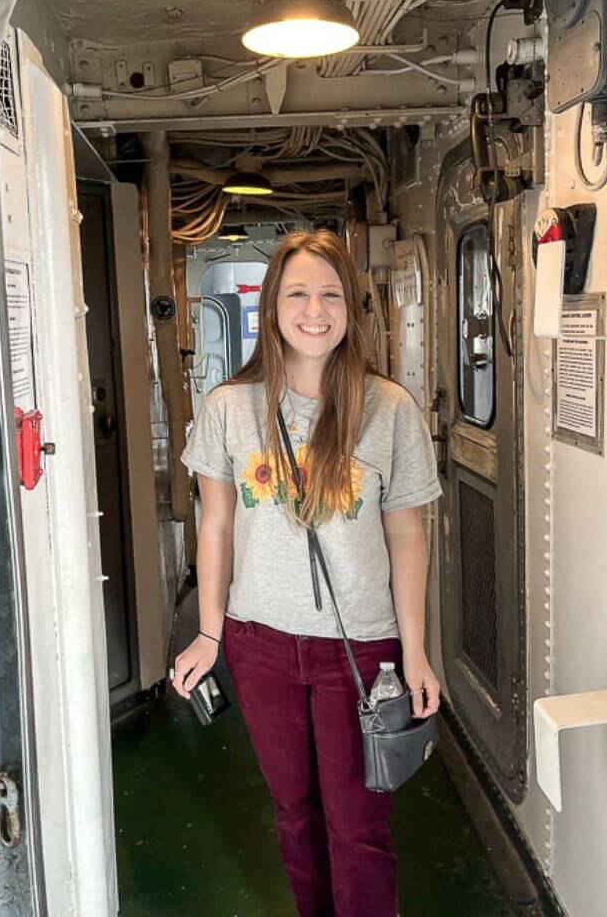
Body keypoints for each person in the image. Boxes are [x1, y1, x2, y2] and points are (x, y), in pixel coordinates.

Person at [173, 228, 443, 917]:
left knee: (357, 825)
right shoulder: (229, 409)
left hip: (362, 649)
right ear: (272, 307)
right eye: (298, 293)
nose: (314, 309)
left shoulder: (389, 408)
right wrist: (208, 634)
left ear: (352, 307)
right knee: (294, 812)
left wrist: (415, 652)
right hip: (258, 642)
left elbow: (406, 530)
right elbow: (217, 524)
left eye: (330, 294)